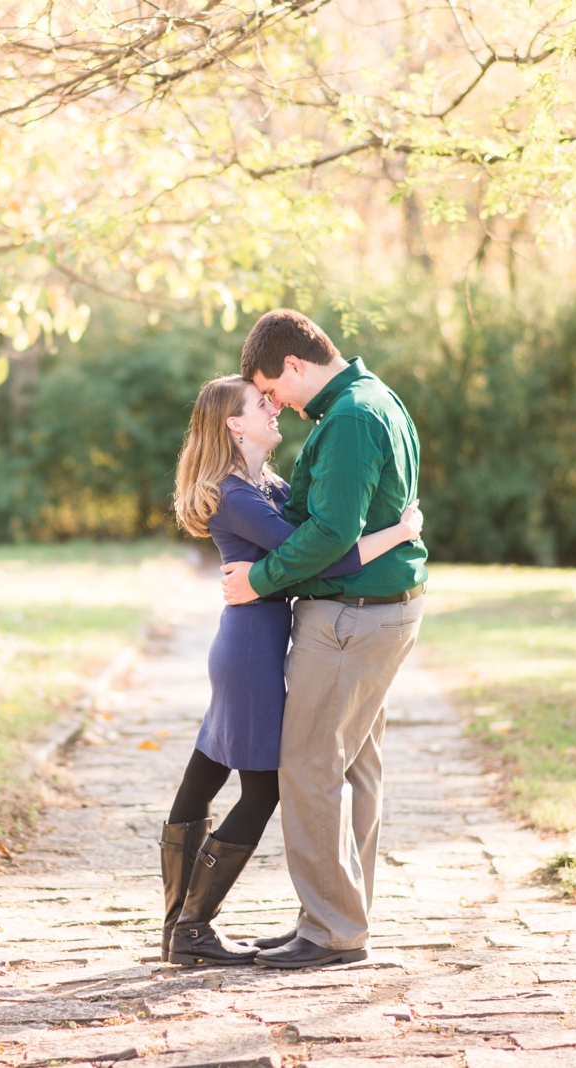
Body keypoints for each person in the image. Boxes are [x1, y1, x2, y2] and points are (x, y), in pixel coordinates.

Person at [161, 374, 423, 967]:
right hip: (251, 653)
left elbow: (309, 531)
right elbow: (322, 551)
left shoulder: (266, 484)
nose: (273, 408)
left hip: (250, 646)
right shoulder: (236, 496)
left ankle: (181, 926)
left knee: (206, 769)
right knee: (262, 786)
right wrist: (402, 532)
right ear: (233, 424)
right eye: (261, 404)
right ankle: (192, 928)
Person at [219, 309, 429, 969]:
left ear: (296, 367)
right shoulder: (374, 399)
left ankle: (333, 928)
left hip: (350, 619)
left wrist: (261, 579)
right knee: (353, 767)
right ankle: (335, 914)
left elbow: (332, 531)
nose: (274, 403)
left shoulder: (350, 419)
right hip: (378, 611)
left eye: (272, 389)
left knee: (309, 765)